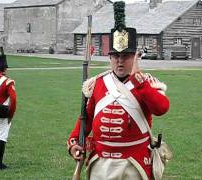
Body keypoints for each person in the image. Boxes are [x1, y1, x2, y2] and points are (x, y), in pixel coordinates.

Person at [67, 2, 170, 179]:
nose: (120, 61)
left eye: (125, 56)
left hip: (134, 164)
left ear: (135, 57)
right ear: (110, 58)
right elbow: (87, 117)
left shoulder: (146, 83)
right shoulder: (97, 83)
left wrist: (139, 81)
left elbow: (161, 108)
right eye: (115, 56)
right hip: (100, 163)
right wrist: (75, 142)